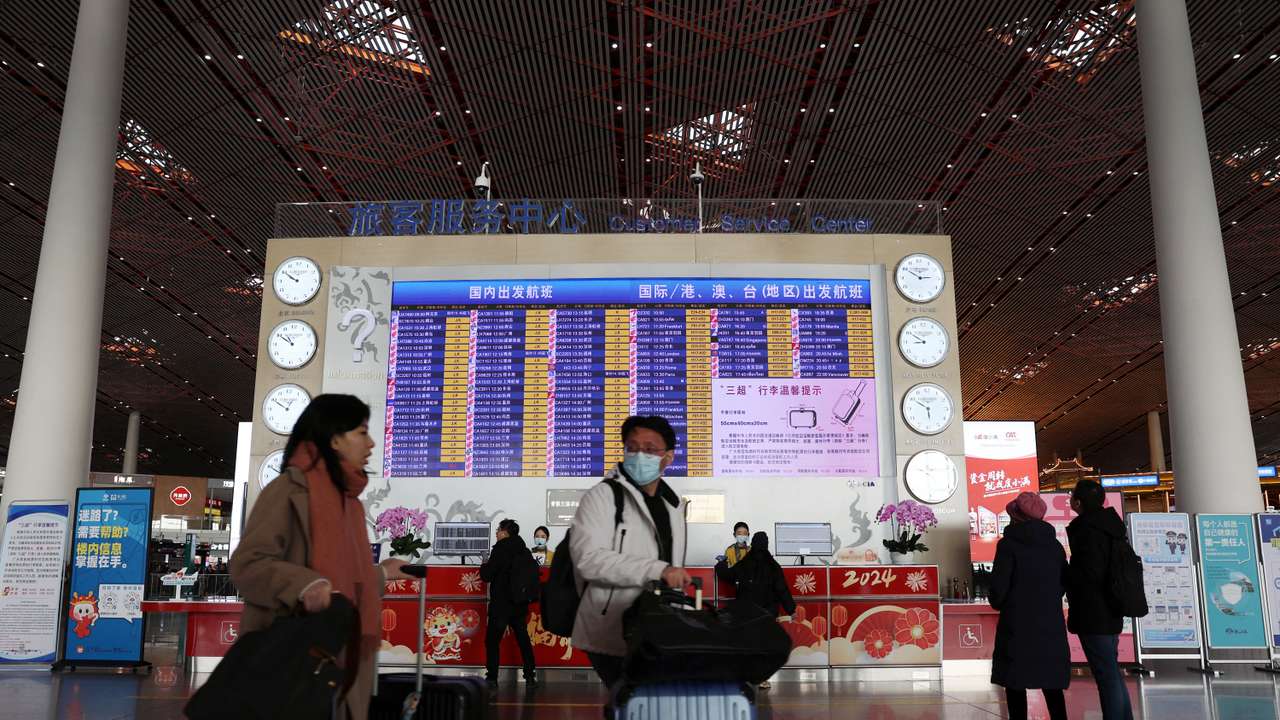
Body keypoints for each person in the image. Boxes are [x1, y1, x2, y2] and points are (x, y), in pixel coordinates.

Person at [231, 394, 411, 720]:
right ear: (334, 439)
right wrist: (303, 584)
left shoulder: (350, 503)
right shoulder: (289, 491)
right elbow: (248, 564)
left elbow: (343, 581)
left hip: (348, 655)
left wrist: (383, 573)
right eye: (361, 432)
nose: (371, 443)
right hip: (295, 657)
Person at [570, 415, 692, 690]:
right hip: (611, 629)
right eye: (633, 447)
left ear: (668, 458)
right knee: (633, 701)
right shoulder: (603, 496)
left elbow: (671, 565)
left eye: (650, 450)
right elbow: (589, 561)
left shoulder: (673, 506)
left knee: (650, 704)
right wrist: (658, 570)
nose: (639, 455)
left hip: (656, 626)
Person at [989, 492, 1069, 720]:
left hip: (1017, 625)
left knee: (1015, 682)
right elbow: (1063, 583)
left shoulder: (1008, 546)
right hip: (1050, 623)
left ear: (1015, 516)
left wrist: (1003, 601)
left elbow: (999, 589)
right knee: (1051, 682)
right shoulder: (1054, 546)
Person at [1066, 479, 1134, 720]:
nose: (1071, 499)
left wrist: (1069, 574)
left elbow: (1090, 573)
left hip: (1094, 611)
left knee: (1106, 675)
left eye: (1073, 495)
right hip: (1112, 607)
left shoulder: (1087, 529)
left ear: (1079, 502)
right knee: (1112, 672)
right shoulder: (1110, 526)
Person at [714, 531, 795, 690]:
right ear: (766, 545)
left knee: (747, 644)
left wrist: (721, 563)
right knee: (765, 646)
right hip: (767, 614)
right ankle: (762, 679)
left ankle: (744, 677)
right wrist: (791, 609)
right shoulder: (773, 565)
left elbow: (728, 575)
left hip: (748, 614)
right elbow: (782, 589)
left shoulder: (745, 562)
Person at [480, 518, 538, 689]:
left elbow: (487, 575)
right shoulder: (524, 549)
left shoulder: (500, 549)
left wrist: (484, 562)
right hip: (519, 604)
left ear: (505, 532)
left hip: (501, 605)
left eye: (498, 530)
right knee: (523, 640)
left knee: (492, 641)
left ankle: (492, 678)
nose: (496, 533)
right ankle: (530, 676)